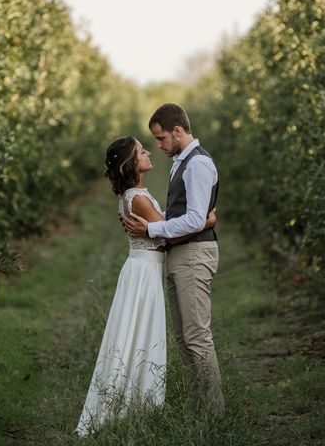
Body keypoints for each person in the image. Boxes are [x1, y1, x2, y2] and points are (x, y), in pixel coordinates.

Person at [76, 135, 216, 436]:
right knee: (138, 334)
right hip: (144, 272)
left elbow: (160, 227)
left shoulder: (134, 194)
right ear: (131, 162)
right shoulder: (136, 197)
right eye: (142, 150)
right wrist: (206, 222)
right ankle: (135, 404)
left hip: (144, 268)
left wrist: (161, 225)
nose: (149, 152)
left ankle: (134, 402)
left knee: (136, 334)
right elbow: (169, 236)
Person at [122, 103, 224, 415]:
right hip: (182, 254)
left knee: (197, 338)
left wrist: (152, 227)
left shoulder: (198, 165)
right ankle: (199, 409)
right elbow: (188, 215)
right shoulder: (181, 161)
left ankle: (214, 413)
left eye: (162, 138)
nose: (159, 145)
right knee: (184, 338)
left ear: (177, 131)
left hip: (194, 254)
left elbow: (194, 219)